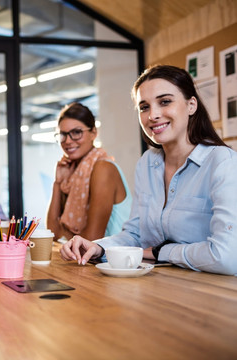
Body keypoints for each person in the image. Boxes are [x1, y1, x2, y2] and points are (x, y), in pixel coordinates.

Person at [61, 65, 237, 276]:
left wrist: (162, 251)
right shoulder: (147, 163)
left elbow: (226, 256)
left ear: (191, 105)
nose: (153, 115)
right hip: (160, 285)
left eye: (165, 102)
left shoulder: (222, 162)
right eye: (144, 107)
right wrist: (98, 247)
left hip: (214, 293)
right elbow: (135, 235)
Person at [46, 102, 132, 240]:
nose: (68, 141)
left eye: (76, 132)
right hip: (89, 258)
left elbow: (92, 239)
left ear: (93, 133)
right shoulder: (73, 174)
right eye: (63, 134)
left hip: (114, 259)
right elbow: (52, 234)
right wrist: (58, 183)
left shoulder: (103, 168)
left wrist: (65, 233)